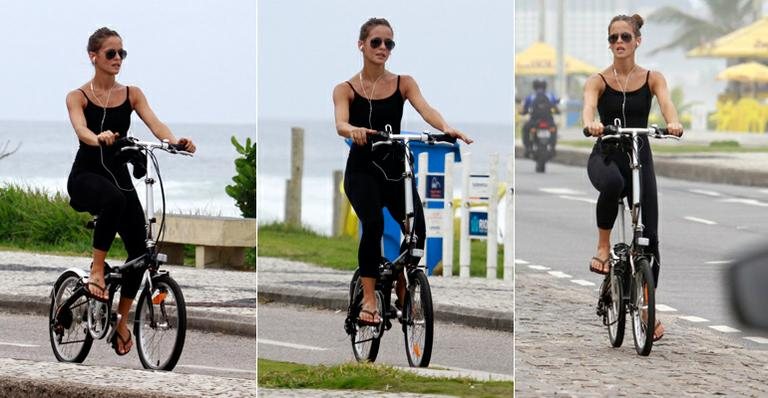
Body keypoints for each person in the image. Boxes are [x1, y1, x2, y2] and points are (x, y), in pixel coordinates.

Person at [333, 18, 472, 325]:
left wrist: (445, 128)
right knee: (372, 225)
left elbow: (426, 108)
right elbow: (340, 122)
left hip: (394, 170)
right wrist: (353, 129)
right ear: (361, 45)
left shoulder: (403, 83)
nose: (383, 48)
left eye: (389, 44)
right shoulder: (345, 89)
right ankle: (369, 298)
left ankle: (401, 283)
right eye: (376, 42)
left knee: (418, 230)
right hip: (362, 171)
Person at [66, 27, 196, 355]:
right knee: (113, 199)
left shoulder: (132, 94)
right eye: (111, 53)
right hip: (86, 175)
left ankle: (122, 321)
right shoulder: (77, 96)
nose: (118, 59)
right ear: (93, 56)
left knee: (141, 251)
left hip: (119, 174)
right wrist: (98, 138)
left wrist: (174, 141)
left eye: (122, 53)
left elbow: (156, 124)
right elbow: (82, 129)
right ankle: (97, 271)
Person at [582, 14, 683, 341]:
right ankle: (602, 248)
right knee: (612, 184)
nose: (620, 43)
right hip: (608, 154)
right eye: (614, 38)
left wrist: (674, 123)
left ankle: (644, 308)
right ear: (609, 43)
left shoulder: (653, 78)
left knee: (649, 242)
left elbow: (667, 104)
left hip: (640, 155)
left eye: (626, 37)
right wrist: (592, 124)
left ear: (638, 41)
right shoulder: (597, 80)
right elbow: (588, 107)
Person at [520, 79, 559, 158]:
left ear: (534, 87)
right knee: (554, 129)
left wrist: (523, 112)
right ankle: (552, 147)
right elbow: (556, 106)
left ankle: (528, 148)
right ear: (545, 87)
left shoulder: (530, 97)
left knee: (525, 129)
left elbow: (524, 109)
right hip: (549, 121)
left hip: (534, 121)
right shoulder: (551, 96)